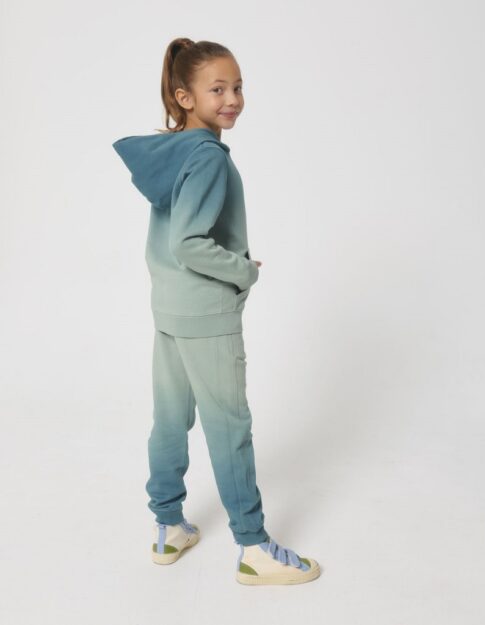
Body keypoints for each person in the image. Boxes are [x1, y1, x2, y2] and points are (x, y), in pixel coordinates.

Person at [112, 37, 320, 585]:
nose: (232, 99)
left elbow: (169, 243)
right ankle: (253, 547)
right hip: (205, 317)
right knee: (230, 427)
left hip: (170, 311)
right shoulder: (206, 156)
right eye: (218, 89)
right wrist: (243, 270)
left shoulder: (174, 152)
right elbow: (188, 243)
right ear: (184, 97)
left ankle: (168, 526)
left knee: (169, 419)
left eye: (238, 87)